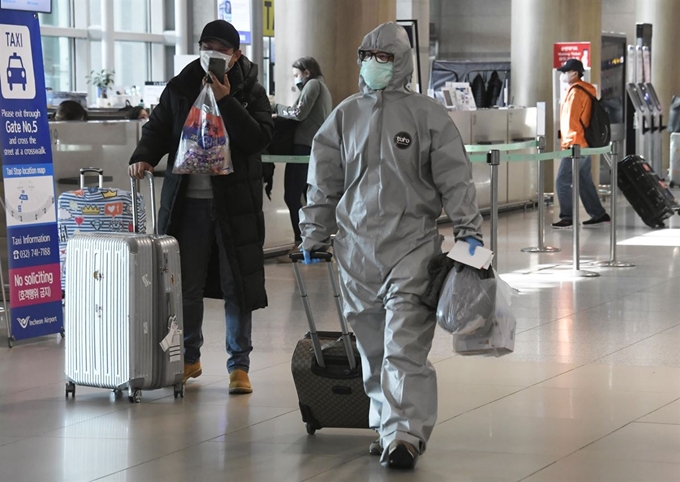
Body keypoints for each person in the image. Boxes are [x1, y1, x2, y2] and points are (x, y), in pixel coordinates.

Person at [299, 22, 483, 470]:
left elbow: (455, 178)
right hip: (355, 250)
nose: (373, 65)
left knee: (403, 345)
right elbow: (323, 182)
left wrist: (470, 234)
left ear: (400, 63)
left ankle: (405, 433)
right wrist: (313, 233)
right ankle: (385, 425)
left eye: (383, 58)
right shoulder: (344, 116)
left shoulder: (427, 115)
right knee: (373, 348)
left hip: (413, 248)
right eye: (367, 56)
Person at [128, 20, 273, 394]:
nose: (214, 53)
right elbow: (159, 127)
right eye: (207, 45)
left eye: (222, 48)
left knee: (236, 283)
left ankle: (239, 366)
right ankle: (188, 356)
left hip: (234, 204)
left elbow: (259, 139)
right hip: (186, 202)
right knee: (184, 285)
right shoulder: (181, 86)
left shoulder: (250, 90)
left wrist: (226, 101)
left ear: (237, 54)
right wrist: (144, 155)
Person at [272, 57, 332, 262]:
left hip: (304, 145)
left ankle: (300, 243)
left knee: (292, 195)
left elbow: (298, 113)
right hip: (311, 146)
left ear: (307, 72)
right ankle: (312, 244)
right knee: (308, 198)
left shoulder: (314, 84)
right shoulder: (322, 87)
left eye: (297, 75)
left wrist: (276, 108)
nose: (296, 80)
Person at [552, 58, 610, 229]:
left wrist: (568, 145)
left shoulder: (576, 93)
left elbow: (572, 122)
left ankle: (568, 217)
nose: (563, 75)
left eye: (565, 72)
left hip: (576, 144)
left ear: (575, 73)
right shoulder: (587, 90)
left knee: (562, 180)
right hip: (585, 143)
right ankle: (598, 214)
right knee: (584, 180)